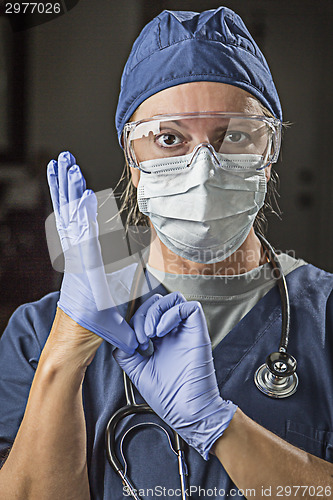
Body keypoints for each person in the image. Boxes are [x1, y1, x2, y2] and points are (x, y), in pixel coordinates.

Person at [0, 6, 333, 500]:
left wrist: (219, 426)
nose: (204, 169)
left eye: (235, 136)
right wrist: (68, 347)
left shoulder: (325, 318)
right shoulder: (37, 335)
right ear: (133, 162)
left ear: (268, 157)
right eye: (170, 139)